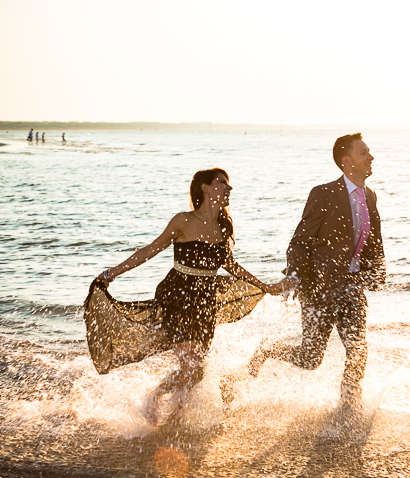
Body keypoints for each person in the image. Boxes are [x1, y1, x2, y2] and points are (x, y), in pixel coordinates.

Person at [96, 168, 292, 423]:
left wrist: (266, 286)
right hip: (178, 295)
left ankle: (175, 419)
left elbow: (231, 266)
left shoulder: (224, 226)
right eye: (222, 183)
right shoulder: (183, 221)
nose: (228, 189)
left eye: (228, 184)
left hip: (206, 301)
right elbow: (149, 250)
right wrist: (111, 274)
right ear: (205, 187)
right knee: (193, 368)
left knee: (196, 371)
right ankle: (154, 396)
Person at [225, 133, 386, 414]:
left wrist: (377, 272)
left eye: (369, 152)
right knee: (310, 359)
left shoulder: (369, 195)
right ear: (346, 161)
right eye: (364, 153)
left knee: (358, 349)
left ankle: (349, 407)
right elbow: (300, 240)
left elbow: (374, 240)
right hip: (320, 288)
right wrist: (296, 275)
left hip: (352, 287)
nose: (371, 157)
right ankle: (269, 349)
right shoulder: (324, 193)